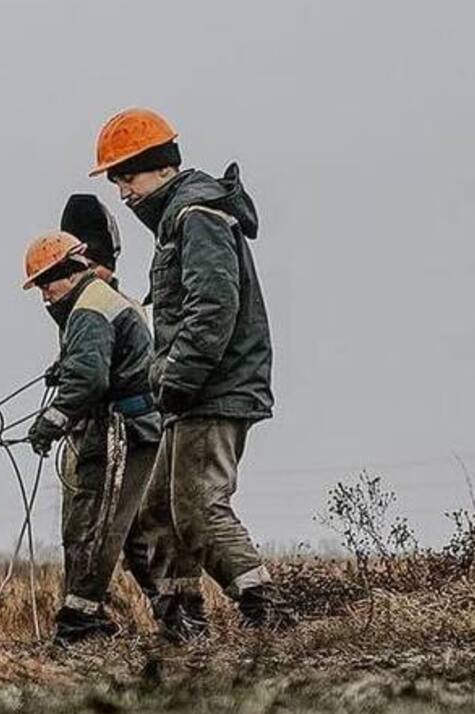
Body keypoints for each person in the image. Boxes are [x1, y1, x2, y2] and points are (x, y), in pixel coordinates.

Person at [91, 107, 285, 637]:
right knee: (158, 514)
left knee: (199, 507)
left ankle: (266, 609)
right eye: (116, 183)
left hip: (211, 390)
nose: (123, 193)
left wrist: (175, 378)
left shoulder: (195, 215)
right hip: (191, 393)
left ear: (157, 168)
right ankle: (182, 618)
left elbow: (212, 308)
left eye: (126, 177)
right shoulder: (181, 216)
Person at [20, 232, 162, 643]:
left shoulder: (86, 310)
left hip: (121, 431)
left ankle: (79, 620)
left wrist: (51, 421)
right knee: (132, 531)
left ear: (69, 273)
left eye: (47, 284)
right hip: (136, 429)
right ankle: (177, 615)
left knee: (95, 522)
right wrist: (64, 365)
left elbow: (89, 380)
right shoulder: (98, 300)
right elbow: (96, 362)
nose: (45, 295)